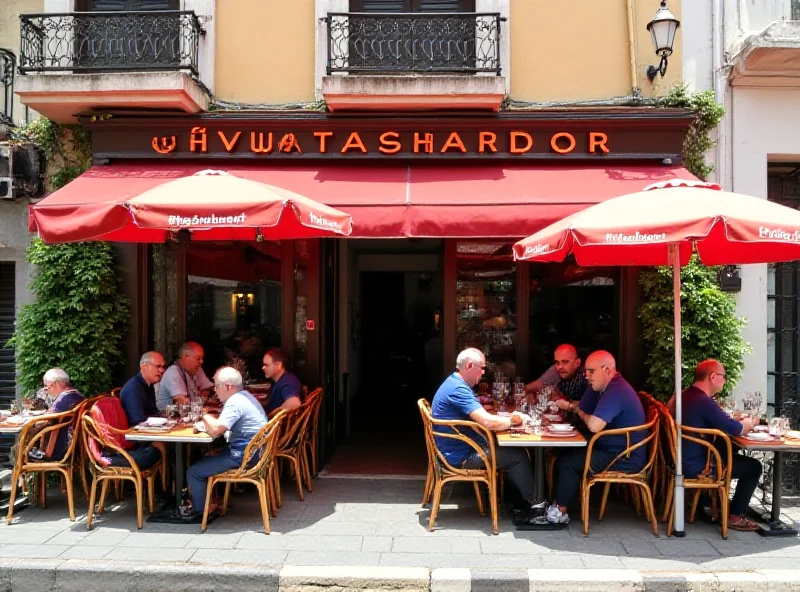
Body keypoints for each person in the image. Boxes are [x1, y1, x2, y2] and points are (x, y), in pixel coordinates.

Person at [431, 348, 544, 514]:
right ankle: (536, 505)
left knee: (512, 450)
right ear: (469, 365)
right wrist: (514, 420)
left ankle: (519, 499)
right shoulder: (458, 389)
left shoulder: (454, 383)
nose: (484, 372)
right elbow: (488, 422)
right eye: (482, 368)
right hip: (461, 457)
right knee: (517, 456)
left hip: (458, 450)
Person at [549, 351, 646, 524]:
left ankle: (559, 513)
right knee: (562, 453)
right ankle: (560, 503)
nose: (586, 376)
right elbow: (582, 406)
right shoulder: (605, 386)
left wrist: (577, 410)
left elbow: (594, 425)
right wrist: (577, 406)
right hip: (611, 448)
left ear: (607, 371)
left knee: (568, 463)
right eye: (586, 371)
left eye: (591, 371)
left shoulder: (617, 391)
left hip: (624, 456)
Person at [675, 359, 762, 531]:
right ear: (713, 377)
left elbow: (721, 422)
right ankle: (735, 516)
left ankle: (706, 504)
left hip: (682, 458)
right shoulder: (704, 402)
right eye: (724, 376)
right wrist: (751, 422)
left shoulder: (686, 395)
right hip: (698, 466)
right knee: (754, 467)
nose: (725, 380)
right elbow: (736, 430)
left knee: (727, 449)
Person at [186, 367, 267, 515]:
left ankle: (202, 511)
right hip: (257, 453)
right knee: (207, 457)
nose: (215, 391)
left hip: (244, 457)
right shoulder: (245, 396)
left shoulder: (235, 402)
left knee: (194, 471)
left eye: (216, 386)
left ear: (228, 387)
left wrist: (203, 413)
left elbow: (216, 430)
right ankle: (209, 501)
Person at [28, 368, 85, 461]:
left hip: (58, 451)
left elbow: (43, 422)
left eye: (48, 387)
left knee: (20, 447)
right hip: (76, 448)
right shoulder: (77, 395)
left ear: (56, 384)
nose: (48, 391)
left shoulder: (62, 400)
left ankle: (20, 474)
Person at [157, 342, 214, 410]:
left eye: (202, 358)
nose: (202, 361)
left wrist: (201, 402)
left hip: (188, 415)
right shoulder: (173, 372)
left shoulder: (196, 368)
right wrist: (199, 406)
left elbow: (206, 388)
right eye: (198, 358)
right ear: (185, 358)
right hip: (169, 417)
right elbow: (182, 401)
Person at [120, 351, 166, 426]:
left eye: (163, 367)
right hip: (137, 435)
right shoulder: (133, 388)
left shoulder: (149, 385)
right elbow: (137, 421)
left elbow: (152, 412)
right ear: (144, 367)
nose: (161, 370)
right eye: (158, 366)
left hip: (148, 432)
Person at [262, 348, 304, 414]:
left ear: (278, 365)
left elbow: (294, 403)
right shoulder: (281, 380)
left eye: (266, 365)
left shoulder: (288, 381)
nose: (263, 368)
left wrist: (274, 416)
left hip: (273, 423)